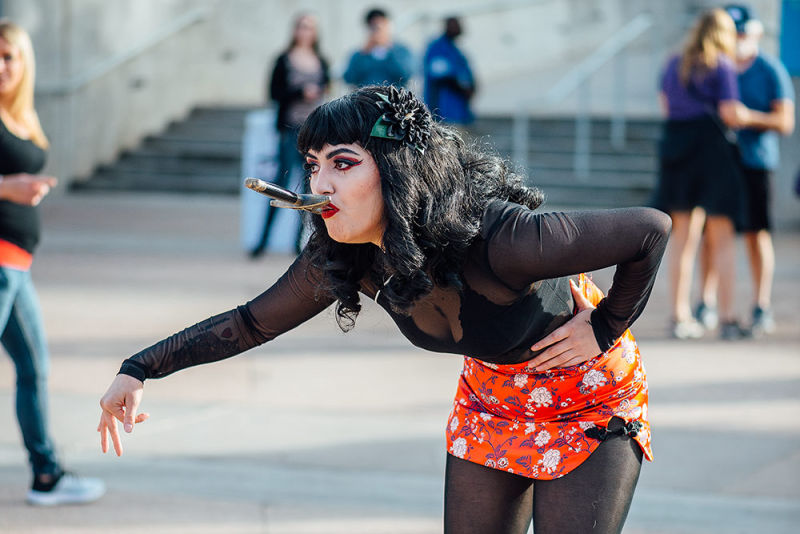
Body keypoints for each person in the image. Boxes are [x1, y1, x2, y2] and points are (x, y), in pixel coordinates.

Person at [98, 85, 671, 533]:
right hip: (494, 397)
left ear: (397, 170)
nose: (320, 182)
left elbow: (649, 231)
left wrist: (606, 324)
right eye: (313, 164)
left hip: (589, 400)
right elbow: (251, 323)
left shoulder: (500, 237)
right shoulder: (347, 257)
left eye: (342, 163)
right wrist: (139, 367)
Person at [0, 19, 105, 506]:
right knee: (32, 367)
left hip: (17, 264)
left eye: (9, 56)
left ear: (25, 63)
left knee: (34, 368)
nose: (1, 66)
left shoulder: (19, 114)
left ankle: (47, 476)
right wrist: (9, 189)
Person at [694, 4, 795, 337]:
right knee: (712, 233)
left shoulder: (769, 69)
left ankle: (760, 304)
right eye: (732, 34)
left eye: (742, 34)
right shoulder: (716, 67)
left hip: (754, 162)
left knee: (755, 234)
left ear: (755, 34)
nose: (737, 40)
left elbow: (785, 121)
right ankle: (706, 302)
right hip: (720, 163)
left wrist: (747, 116)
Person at [651, 8, 749, 340]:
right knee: (721, 235)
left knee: (683, 238)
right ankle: (727, 317)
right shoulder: (722, 64)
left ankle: (679, 316)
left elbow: (665, 105)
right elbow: (729, 113)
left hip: (677, 147)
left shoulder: (673, 63)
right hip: (711, 150)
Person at [250, 13, 330, 258]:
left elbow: (326, 90)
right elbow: (274, 93)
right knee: (281, 185)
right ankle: (262, 241)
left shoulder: (321, 61)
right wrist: (299, 91)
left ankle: (298, 244)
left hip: (313, 133)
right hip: (290, 129)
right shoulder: (284, 59)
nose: (306, 32)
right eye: (302, 27)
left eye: (310, 27)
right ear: (295, 30)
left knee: (309, 189)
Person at [423, 16, 476, 126]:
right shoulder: (438, 47)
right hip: (444, 111)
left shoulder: (455, 49)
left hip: (459, 111)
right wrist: (463, 89)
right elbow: (440, 75)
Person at [342, 8, 414, 88]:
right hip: (367, 99)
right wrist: (363, 54)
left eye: (380, 26)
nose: (377, 31)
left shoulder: (401, 51)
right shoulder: (360, 53)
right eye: (373, 27)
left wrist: (389, 49)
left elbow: (406, 75)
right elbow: (349, 78)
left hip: (394, 98)